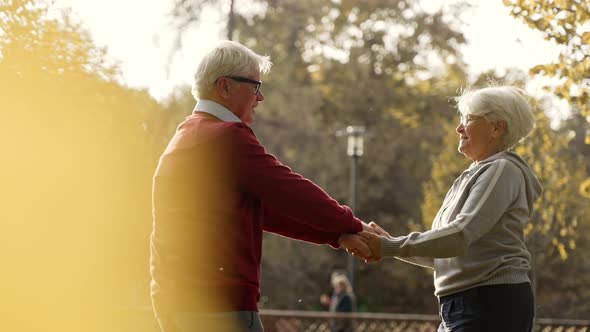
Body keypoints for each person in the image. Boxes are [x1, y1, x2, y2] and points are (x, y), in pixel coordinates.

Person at [150, 40, 374, 332]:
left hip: (178, 303)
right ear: (225, 86)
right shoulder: (225, 136)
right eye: (254, 86)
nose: (261, 97)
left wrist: (338, 234)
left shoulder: (187, 136)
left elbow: (265, 211)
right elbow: (290, 192)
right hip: (218, 305)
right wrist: (353, 225)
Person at [360, 86, 542, 332]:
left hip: (490, 302)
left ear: (497, 128)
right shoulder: (474, 174)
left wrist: (389, 246)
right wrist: (390, 244)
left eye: (468, 119)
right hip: (462, 304)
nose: (459, 128)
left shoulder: (501, 169)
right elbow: (446, 253)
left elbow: (459, 236)